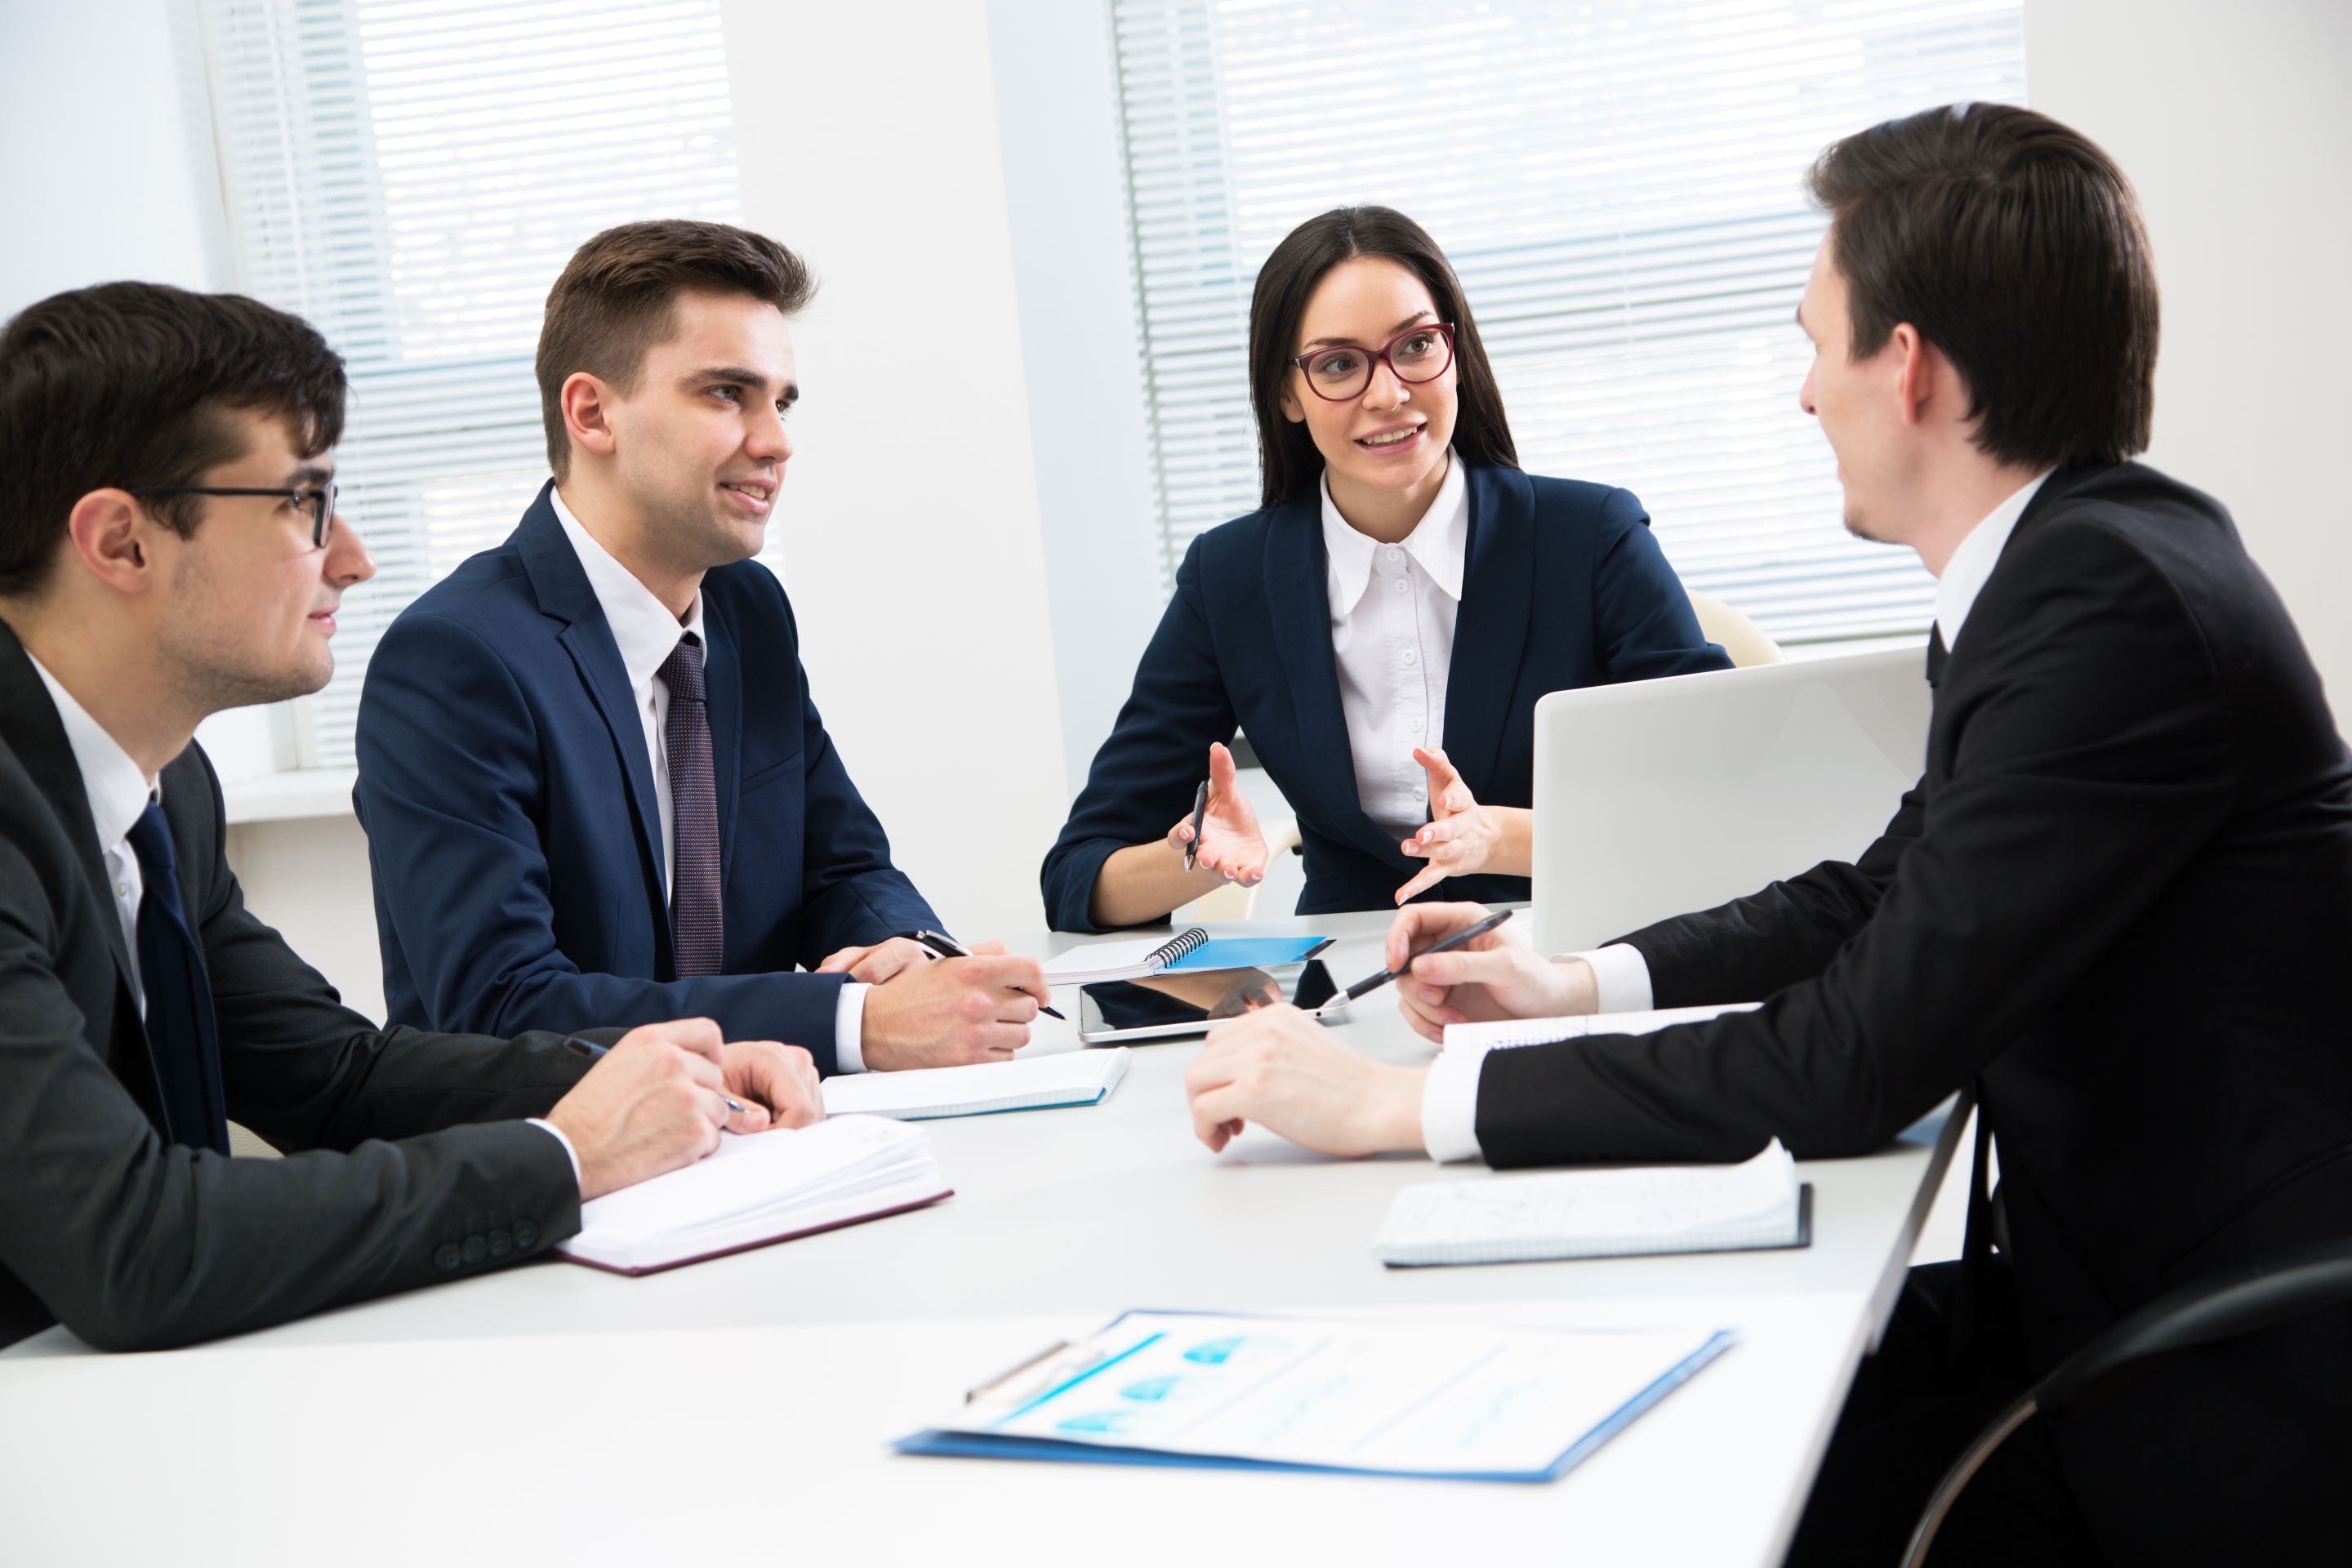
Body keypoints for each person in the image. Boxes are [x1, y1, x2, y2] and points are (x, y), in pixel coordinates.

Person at [1180, 105, 2352, 1564]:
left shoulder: (2100, 605)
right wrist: (1578, 980)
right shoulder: (2079, 566)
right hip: (2106, 1293)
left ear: (1907, 367)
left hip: (2215, 1393)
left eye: (1817, 344)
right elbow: (1878, 897)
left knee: (1678, 1485)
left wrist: (1392, 1111)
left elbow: (1856, 1060)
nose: (1806, 397)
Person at [0, 282, 825, 1353]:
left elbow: (335, 1080)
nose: (353, 557)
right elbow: (140, 1244)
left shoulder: (168, 784)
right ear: (122, 542)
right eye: (304, 503)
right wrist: (567, 1155)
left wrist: (655, 1072)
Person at [354, 221, 1046, 1075]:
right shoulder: (455, 660)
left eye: (781, 402)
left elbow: (842, 869)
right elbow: (502, 1007)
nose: (777, 441)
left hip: (761, 1134)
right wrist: (851, 1022)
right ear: (592, 412)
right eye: (728, 394)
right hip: (571, 1165)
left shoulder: (747, 611)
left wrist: (899, 950)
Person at [1040, 207, 1727, 930]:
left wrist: (1501, 839)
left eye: (1416, 345)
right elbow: (1078, 875)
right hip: (1351, 980)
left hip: (1571, 952)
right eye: (1339, 364)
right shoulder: (1232, 578)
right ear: (1287, 394)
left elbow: (1719, 800)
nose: (1389, 393)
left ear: (1454, 351)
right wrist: (1197, 860)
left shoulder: (1590, 537)